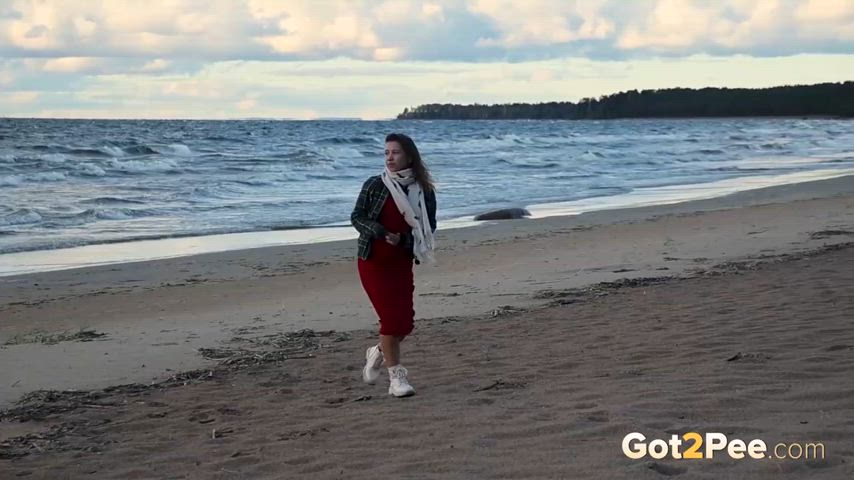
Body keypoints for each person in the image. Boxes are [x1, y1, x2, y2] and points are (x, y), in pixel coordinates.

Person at [350, 133, 437, 397]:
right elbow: (357, 217)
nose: (389, 157)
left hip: (401, 260)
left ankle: (378, 351)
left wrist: (402, 240)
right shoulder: (375, 185)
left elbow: (428, 227)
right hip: (373, 260)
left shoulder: (424, 190)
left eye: (395, 152)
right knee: (390, 320)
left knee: (405, 323)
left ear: (409, 156)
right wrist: (378, 230)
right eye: (386, 152)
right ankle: (396, 379)